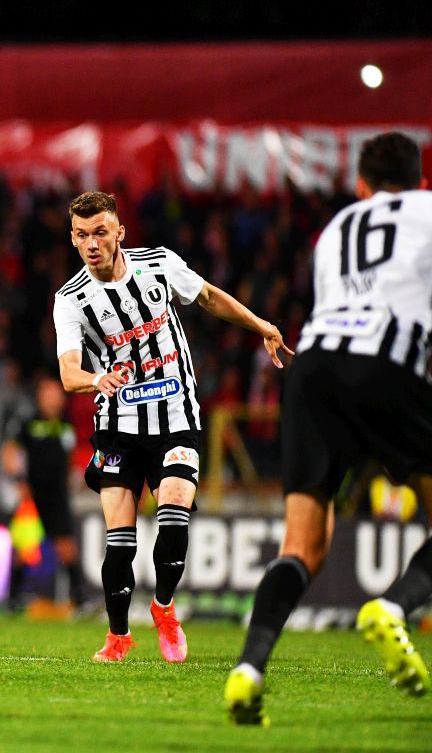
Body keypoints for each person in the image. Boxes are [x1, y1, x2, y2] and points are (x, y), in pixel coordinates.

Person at [226, 131, 432, 724]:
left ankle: (248, 669)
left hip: (312, 369)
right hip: (387, 365)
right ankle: (393, 608)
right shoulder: (425, 209)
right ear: (418, 182)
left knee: (302, 547)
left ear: (361, 185)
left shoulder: (337, 228)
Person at [53, 191, 290, 664]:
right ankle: (118, 637)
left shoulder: (159, 265)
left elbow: (206, 297)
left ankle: (163, 606)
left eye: (101, 232)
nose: (92, 243)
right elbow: (67, 372)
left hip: (176, 417)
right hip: (118, 427)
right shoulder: (70, 300)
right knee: (120, 541)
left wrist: (260, 323)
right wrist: (97, 378)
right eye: (82, 235)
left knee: (175, 512)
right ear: (74, 240)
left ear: (120, 231)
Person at [2, 375, 83, 613]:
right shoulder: (28, 421)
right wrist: (18, 480)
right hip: (32, 495)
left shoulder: (66, 425)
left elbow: (70, 458)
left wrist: (73, 477)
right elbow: (9, 451)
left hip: (58, 496)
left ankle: (80, 599)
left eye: (58, 394)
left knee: (66, 547)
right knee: (24, 548)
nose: (55, 399)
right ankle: (13, 599)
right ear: (41, 397)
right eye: (50, 394)